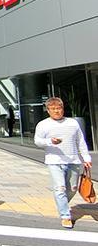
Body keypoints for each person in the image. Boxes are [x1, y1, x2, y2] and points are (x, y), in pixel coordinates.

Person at [33, 97, 92, 229]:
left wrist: (86, 158)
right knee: (60, 188)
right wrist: (49, 142)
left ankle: (62, 204)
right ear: (48, 110)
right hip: (54, 161)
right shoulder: (43, 124)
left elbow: (80, 141)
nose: (57, 111)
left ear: (63, 109)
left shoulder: (72, 123)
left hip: (73, 160)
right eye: (53, 109)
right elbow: (37, 141)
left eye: (59, 108)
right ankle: (65, 216)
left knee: (72, 189)